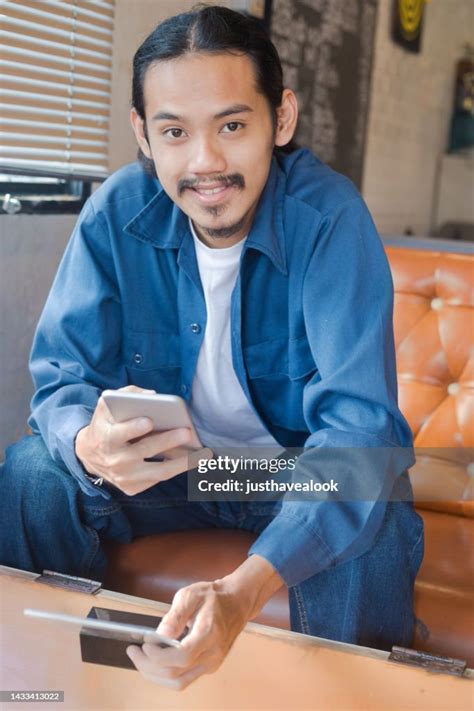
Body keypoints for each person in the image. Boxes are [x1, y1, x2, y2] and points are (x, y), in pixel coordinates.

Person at [0, 5, 423, 690]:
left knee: (372, 502)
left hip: (283, 477)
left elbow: (361, 434)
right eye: (175, 132)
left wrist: (246, 588)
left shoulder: (330, 220)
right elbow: (61, 379)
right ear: (144, 133)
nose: (205, 163)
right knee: (31, 472)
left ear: (280, 119)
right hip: (173, 477)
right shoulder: (116, 211)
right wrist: (89, 443)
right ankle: (40, 688)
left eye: (232, 125)